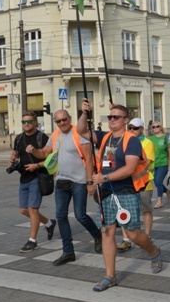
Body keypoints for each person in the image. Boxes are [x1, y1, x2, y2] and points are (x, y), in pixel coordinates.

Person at [87, 104, 163, 291]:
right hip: (106, 193)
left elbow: (130, 169)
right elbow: (81, 130)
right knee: (107, 232)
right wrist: (84, 112)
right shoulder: (105, 138)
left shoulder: (132, 141)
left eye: (116, 117)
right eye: (110, 116)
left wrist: (103, 177)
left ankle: (153, 250)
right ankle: (110, 276)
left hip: (126, 191)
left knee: (132, 234)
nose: (112, 120)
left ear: (125, 120)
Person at [29, 109, 102, 266]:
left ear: (70, 119)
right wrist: (34, 150)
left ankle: (98, 236)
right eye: (58, 121)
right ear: (55, 122)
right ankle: (68, 252)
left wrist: (90, 182)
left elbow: (89, 158)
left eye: (64, 120)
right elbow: (44, 153)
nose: (62, 123)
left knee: (80, 215)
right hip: (61, 181)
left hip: (79, 181)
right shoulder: (55, 135)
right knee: (61, 216)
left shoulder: (79, 133)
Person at [8, 111, 56, 252]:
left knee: (33, 209)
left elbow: (50, 157)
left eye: (29, 121)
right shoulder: (19, 138)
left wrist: (37, 165)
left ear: (35, 122)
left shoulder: (42, 137)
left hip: (38, 176)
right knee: (24, 210)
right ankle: (48, 223)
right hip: (24, 177)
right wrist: (12, 159)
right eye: (24, 122)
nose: (26, 124)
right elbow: (15, 153)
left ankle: (32, 240)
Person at [128, 118, 155, 236]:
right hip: (130, 182)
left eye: (135, 128)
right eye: (130, 128)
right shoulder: (127, 141)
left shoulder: (147, 143)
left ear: (142, 129)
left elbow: (146, 162)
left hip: (144, 182)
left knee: (146, 209)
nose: (132, 130)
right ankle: (128, 238)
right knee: (130, 210)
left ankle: (147, 235)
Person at [151, 121, 170, 208]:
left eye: (157, 126)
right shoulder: (150, 139)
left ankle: (160, 201)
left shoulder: (165, 138)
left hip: (163, 163)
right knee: (156, 182)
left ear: (161, 127)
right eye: (153, 127)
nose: (155, 128)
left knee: (158, 181)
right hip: (154, 163)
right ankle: (167, 191)